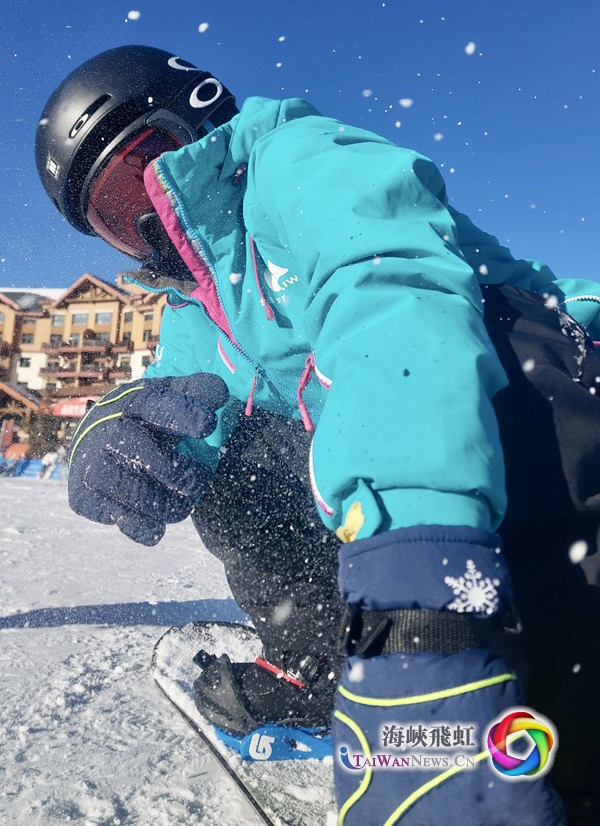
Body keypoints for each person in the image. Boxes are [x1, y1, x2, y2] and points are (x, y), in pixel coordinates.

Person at [35, 45, 600, 824]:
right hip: (448, 441)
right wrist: (111, 427)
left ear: (198, 122)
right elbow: (188, 416)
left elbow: (393, 305)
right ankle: (323, 666)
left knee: (506, 359)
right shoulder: (197, 308)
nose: (147, 219)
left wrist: (419, 618)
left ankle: (563, 723)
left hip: (565, 386)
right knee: (225, 445)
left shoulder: (299, 160)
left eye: (143, 173)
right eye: (113, 219)